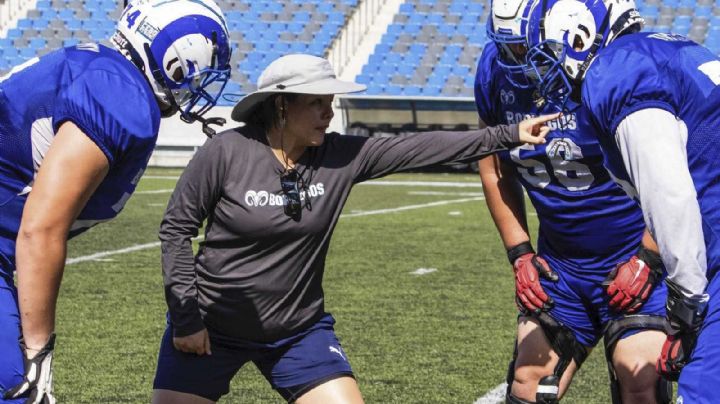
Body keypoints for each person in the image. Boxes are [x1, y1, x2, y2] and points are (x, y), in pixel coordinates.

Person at [152, 53, 558, 404]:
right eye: (315, 103)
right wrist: (187, 319)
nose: (328, 113)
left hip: (297, 333)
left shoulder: (341, 156)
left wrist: (508, 135)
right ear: (280, 106)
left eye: (329, 102)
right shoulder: (225, 152)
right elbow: (175, 230)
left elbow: (422, 147)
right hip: (212, 328)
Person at [0, 0, 232, 402]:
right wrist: (38, 353)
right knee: (17, 389)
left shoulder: (105, 70)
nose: (198, 85)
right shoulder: (119, 94)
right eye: (197, 70)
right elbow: (40, 229)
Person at [523, 0, 720, 402]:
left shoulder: (617, 72)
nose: (550, 70)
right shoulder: (670, 48)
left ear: (585, 38)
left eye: (558, 52)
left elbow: (670, 191)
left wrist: (687, 301)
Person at [475, 1, 669, 403]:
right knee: (528, 381)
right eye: (506, 48)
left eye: (523, 49)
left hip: (634, 258)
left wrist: (649, 257)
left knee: (640, 382)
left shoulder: (609, 71)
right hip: (561, 267)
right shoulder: (495, 71)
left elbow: (676, 177)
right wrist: (520, 254)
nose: (515, 62)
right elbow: (494, 166)